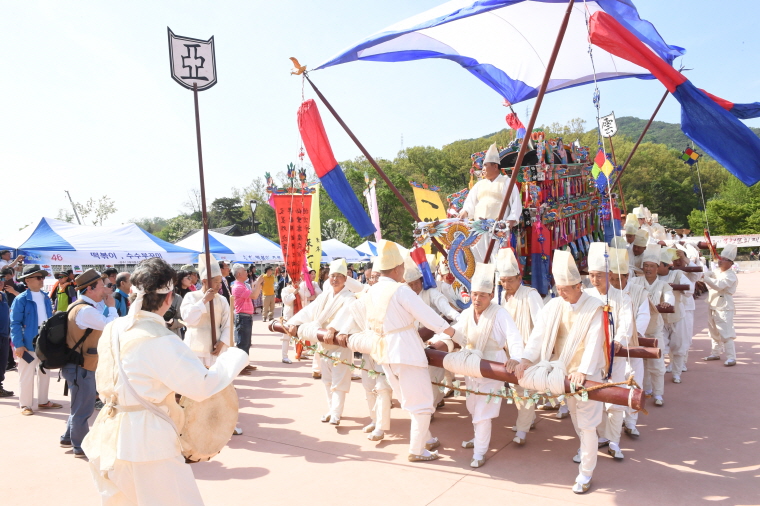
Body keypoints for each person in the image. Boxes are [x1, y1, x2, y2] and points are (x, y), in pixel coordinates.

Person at [81, 257, 248, 505]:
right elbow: (202, 386)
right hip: (149, 443)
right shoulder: (160, 339)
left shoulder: (114, 328)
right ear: (169, 297)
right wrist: (235, 357)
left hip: (109, 434)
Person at [334, 240, 456, 462]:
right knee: (422, 402)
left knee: (408, 399)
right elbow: (426, 314)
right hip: (406, 349)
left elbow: (357, 312)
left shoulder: (371, 290)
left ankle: (426, 439)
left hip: (383, 351)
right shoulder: (400, 290)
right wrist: (452, 332)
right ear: (398, 268)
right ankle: (417, 450)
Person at [515, 250, 606, 494]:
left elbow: (595, 342)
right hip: (563, 373)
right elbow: (538, 336)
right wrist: (525, 359)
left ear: (579, 286)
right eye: (559, 288)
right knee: (577, 420)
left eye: (565, 289)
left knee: (586, 425)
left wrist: (584, 371)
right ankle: (587, 451)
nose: (561, 293)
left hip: (589, 376)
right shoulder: (554, 305)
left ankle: (586, 474)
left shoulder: (596, 308)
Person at [446, 262, 523, 468]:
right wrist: (439, 340)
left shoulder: (500, 313)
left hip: (493, 367)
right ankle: (478, 438)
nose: (477, 299)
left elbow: (514, 337)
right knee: (472, 406)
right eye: (474, 294)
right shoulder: (467, 313)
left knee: (483, 410)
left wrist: (515, 357)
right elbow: (457, 332)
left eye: (482, 295)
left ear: (490, 296)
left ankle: (480, 452)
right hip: (470, 365)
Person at [286, 259, 356, 425]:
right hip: (323, 343)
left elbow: (347, 316)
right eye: (333, 276)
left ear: (346, 278)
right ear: (328, 277)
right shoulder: (324, 296)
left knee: (339, 381)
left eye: (339, 276)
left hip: (339, 344)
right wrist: (294, 322)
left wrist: (333, 328)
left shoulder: (349, 297)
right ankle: (332, 410)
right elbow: (309, 311)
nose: (335, 279)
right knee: (327, 380)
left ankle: (337, 414)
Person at [584, 243, 633, 460]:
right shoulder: (584, 295)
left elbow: (625, 323)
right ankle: (593, 440)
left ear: (610, 274)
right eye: (591, 276)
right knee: (593, 399)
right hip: (590, 356)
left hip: (614, 355)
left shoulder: (623, 297)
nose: (595, 281)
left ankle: (614, 440)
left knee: (615, 398)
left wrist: (618, 341)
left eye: (599, 276)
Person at [62, 269, 118, 458]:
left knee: (78, 404)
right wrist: (111, 306)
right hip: (81, 366)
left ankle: (68, 437)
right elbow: (112, 327)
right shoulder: (85, 310)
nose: (105, 289)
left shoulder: (82, 307)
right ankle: (80, 445)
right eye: (102, 286)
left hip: (79, 365)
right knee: (83, 408)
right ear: (90, 289)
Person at [496, 247, 546, 437]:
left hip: (527, 351)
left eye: (510, 280)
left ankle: (522, 430)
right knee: (517, 389)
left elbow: (541, 325)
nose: (506, 284)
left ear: (519, 278)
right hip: (509, 351)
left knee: (524, 389)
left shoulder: (530, 294)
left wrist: (528, 354)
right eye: (503, 281)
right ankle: (529, 419)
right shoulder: (502, 296)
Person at [403, 257, 459, 410]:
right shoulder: (404, 294)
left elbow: (444, 306)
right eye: (411, 284)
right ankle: (436, 399)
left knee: (434, 368)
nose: (414, 287)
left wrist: (459, 317)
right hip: (414, 338)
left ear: (422, 280)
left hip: (436, 336)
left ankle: (431, 406)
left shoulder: (432, 292)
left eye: (416, 283)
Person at [607, 245, 651, 437]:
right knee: (612, 384)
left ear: (627, 277)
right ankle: (611, 425)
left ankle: (631, 422)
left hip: (632, 343)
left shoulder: (639, 291)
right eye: (612, 279)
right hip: (608, 346)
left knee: (634, 379)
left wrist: (627, 338)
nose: (616, 282)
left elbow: (643, 317)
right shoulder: (604, 292)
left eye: (619, 279)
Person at [458, 143, 522, 263]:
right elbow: (470, 202)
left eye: (485, 165)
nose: (482, 169)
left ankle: (497, 281)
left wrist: (512, 219)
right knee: (479, 259)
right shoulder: (479, 185)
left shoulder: (507, 182)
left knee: (498, 258)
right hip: (479, 228)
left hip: (498, 228)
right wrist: (465, 211)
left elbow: (516, 203)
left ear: (495, 166)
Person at [10, 265, 60, 416]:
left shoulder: (45, 297)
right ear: (27, 280)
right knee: (26, 374)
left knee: (45, 371)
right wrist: (18, 344)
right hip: (27, 342)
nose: (42, 280)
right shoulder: (21, 299)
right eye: (38, 277)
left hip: (44, 340)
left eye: (42, 277)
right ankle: (25, 404)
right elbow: (15, 323)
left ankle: (43, 401)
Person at [630, 245, 674, 406]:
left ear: (657, 268)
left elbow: (669, 297)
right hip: (636, 330)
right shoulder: (634, 281)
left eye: (652, 266)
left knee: (656, 363)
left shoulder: (663, 285)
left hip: (655, 330)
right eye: (646, 266)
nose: (648, 269)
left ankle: (658, 394)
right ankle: (644, 390)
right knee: (638, 364)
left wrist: (666, 303)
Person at [657, 248, 692, 383]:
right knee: (659, 347)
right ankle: (659, 374)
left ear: (666, 265)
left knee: (678, 346)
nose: (655, 267)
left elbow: (690, 289)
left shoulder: (677, 274)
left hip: (677, 316)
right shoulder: (653, 276)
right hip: (660, 318)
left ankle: (677, 374)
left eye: (658, 264)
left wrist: (673, 286)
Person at [702, 244, 739, 366]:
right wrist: (705, 275)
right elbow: (709, 275)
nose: (720, 261)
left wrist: (706, 278)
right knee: (713, 331)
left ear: (730, 262)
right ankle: (715, 353)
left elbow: (718, 285)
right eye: (720, 258)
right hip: (713, 303)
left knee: (725, 331)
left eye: (723, 259)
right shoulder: (717, 271)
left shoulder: (730, 275)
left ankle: (731, 357)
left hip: (724, 306)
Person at [231, 263, 263, 373]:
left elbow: (255, 293)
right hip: (242, 317)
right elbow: (254, 295)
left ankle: (244, 363)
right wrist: (258, 283)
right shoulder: (238, 286)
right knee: (242, 343)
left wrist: (257, 284)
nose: (247, 272)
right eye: (245, 271)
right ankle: (240, 366)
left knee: (246, 342)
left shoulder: (242, 285)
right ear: (239, 274)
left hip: (246, 316)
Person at [0, 277, 13, 397]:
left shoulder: (3, 295)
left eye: (2, 280)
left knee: (3, 362)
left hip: (4, 334)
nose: (1, 282)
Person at [280, 280, 297, 364]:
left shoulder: (302, 288)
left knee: (299, 335)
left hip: (299, 314)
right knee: (286, 336)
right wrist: (294, 293)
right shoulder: (285, 290)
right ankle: (284, 357)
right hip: (289, 315)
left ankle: (299, 352)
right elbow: (286, 301)